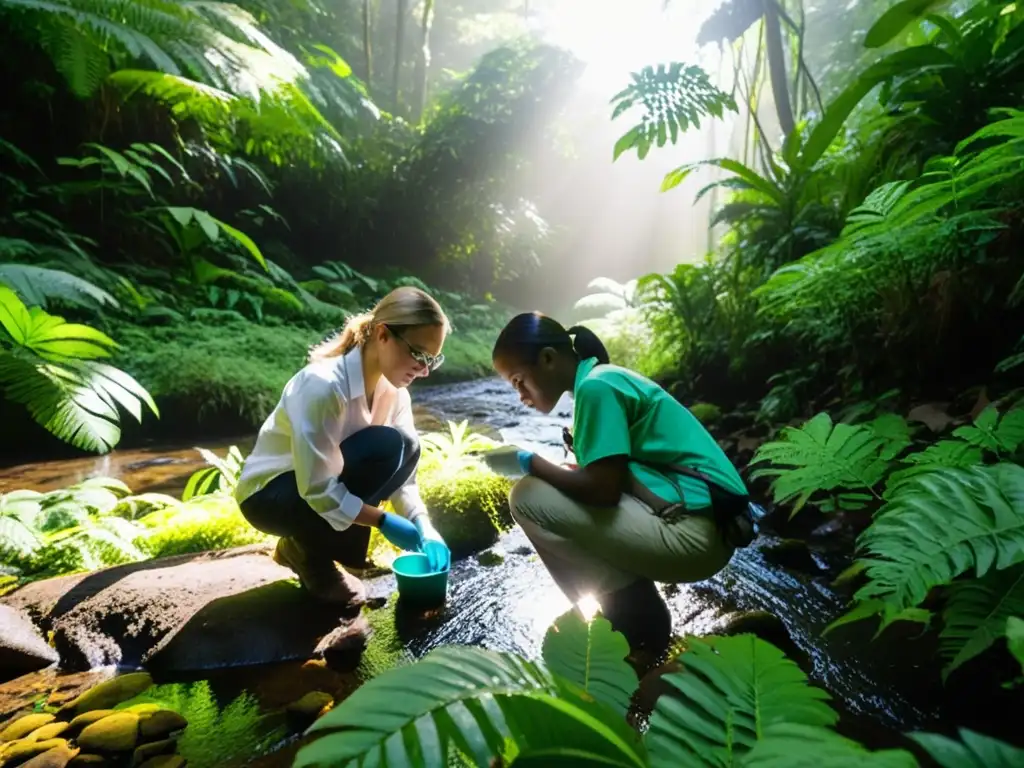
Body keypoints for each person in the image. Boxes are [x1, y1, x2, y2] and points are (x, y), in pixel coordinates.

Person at [486, 311, 753, 653]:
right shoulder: (601, 381)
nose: (520, 394)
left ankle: (632, 616)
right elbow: (604, 477)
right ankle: (633, 613)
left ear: (548, 359)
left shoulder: (597, 388)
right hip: (708, 527)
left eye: (519, 380)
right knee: (557, 482)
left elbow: (604, 490)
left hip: (695, 536)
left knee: (527, 497)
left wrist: (528, 462)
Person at [235, 286, 452, 605]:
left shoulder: (394, 393)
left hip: (310, 490)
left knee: (408, 445)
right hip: (270, 497)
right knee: (385, 444)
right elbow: (316, 487)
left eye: (432, 360)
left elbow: (405, 479)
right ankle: (308, 556)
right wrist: (382, 520)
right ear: (382, 335)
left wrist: (424, 524)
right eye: (417, 353)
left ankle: (319, 549)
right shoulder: (323, 386)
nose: (424, 369)